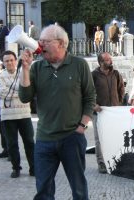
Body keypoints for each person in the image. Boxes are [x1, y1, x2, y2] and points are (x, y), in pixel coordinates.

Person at [19, 24, 96, 199]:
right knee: (43, 190)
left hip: (72, 137)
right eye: (40, 41)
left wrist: (82, 125)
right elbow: (25, 97)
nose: (40, 44)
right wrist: (25, 69)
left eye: (45, 41)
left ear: (61, 43)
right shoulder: (37, 68)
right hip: (44, 139)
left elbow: (90, 97)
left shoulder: (79, 65)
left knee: (78, 188)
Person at [0, 51, 34, 178]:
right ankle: (16, 168)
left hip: (24, 114)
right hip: (8, 116)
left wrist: (19, 91)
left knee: (29, 142)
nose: (9, 63)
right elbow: (2, 93)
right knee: (12, 144)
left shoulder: (24, 73)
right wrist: (21, 92)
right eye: (6, 61)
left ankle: (33, 167)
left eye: (11, 60)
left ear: (16, 60)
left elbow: (29, 91)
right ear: (3, 63)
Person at [91, 52, 124, 173]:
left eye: (110, 59)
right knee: (99, 139)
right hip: (99, 112)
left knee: (114, 136)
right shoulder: (93, 75)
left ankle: (114, 161)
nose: (111, 61)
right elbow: (87, 92)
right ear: (101, 62)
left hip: (114, 112)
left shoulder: (116, 74)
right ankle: (102, 163)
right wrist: (93, 105)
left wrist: (119, 103)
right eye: (108, 60)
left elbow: (121, 89)